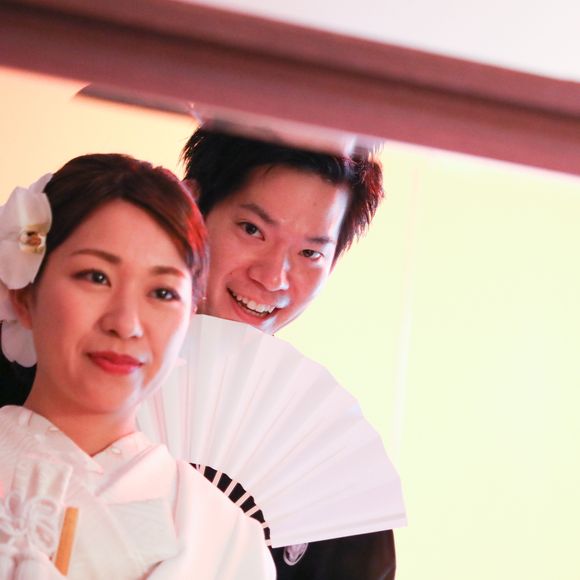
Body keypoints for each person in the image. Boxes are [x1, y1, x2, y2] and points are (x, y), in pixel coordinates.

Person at [0, 154, 275, 579]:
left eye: (163, 293)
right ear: (24, 294)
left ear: (190, 315)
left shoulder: (227, 541)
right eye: (96, 277)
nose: (125, 323)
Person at [182, 127, 397, 579]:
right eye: (252, 230)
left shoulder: (333, 462)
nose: (273, 277)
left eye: (310, 253)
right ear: (192, 211)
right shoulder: (67, 371)